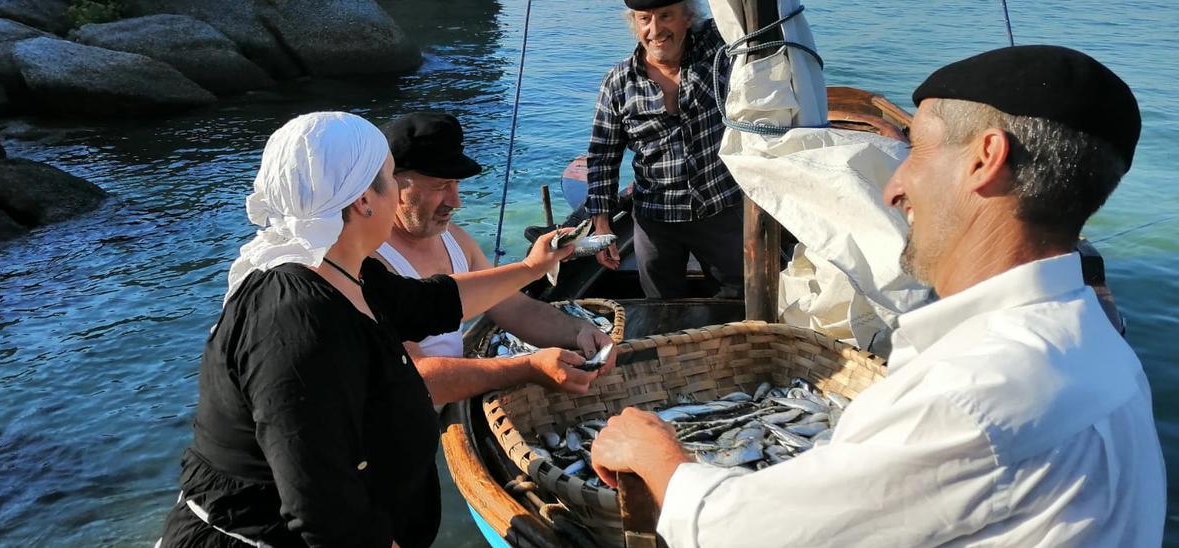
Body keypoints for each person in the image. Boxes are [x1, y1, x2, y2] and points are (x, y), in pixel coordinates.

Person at [589, 46, 1165, 546]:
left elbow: (737, 531)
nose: (893, 186)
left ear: (985, 159)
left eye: (914, 149)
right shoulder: (1094, 341)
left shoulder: (974, 392)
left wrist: (656, 452)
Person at [157, 112, 578, 547]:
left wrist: (532, 267)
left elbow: (437, 300)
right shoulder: (296, 323)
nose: (397, 191)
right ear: (363, 200)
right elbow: (324, 509)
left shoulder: (345, 272)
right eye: (392, 178)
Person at [377, 112, 618, 409]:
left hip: (448, 406)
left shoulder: (455, 240)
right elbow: (414, 377)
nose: (456, 201)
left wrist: (579, 331)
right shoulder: (372, 263)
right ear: (393, 186)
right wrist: (527, 368)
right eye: (440, 186)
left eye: (456, 184)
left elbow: (512, 306)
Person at [585, 0, 745, 299]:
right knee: (660, 307)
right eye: (645, 19)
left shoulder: (717, 51)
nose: (655, 30)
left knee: (738, 301)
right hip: (655, 221)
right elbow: (603, 156)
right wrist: (601, 223)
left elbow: (742, 17)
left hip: (721, 210)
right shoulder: (618, 83)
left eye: (666, 16)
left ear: (687, 17)